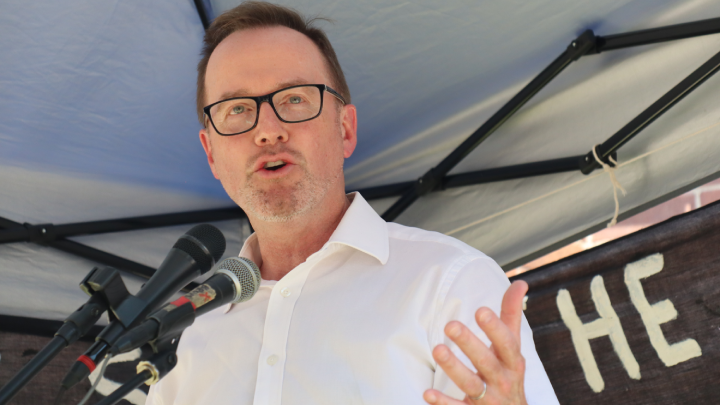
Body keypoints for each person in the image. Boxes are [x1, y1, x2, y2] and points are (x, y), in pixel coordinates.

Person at [148, 2, 558, 404]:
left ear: (345, 129)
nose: (267, 131)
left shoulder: (449, 284)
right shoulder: (189, 336)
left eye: (294, 99)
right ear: (212, 154)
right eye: (237, 109)